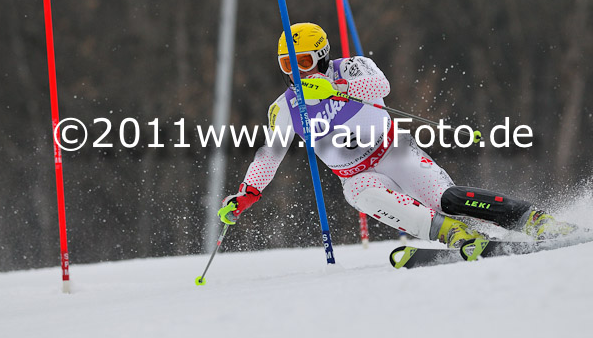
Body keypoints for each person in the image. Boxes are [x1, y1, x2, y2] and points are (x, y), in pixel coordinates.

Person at [218, 22, 578, 248]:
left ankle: (531, 218)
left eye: (304, 62)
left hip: (395, 151)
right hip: (356, 174)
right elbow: (269, 155)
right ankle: (451, 233)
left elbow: (381, 85)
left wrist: (331, 88)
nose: (296, 72)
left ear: (323, 57)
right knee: (359, 194)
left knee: (445, 198)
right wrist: (248, 193)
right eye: (287, 64)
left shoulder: (352, 67)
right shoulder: (284, 107)